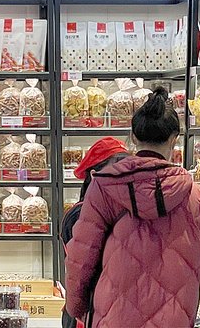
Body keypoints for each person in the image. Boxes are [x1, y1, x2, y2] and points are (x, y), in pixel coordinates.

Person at [64, 87, 200, 327]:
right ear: (174, 139)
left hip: (113, 318)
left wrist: (76, 307)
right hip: (175, 319)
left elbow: (81, 260)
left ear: (133, 137)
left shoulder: (104, 189)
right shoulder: (195, 195)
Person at [59, 137, 130, 328]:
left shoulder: (123, 209)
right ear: (94, 174)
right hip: (88, 312)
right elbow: (81, 271)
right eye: (117, 167)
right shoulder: (79, 214)